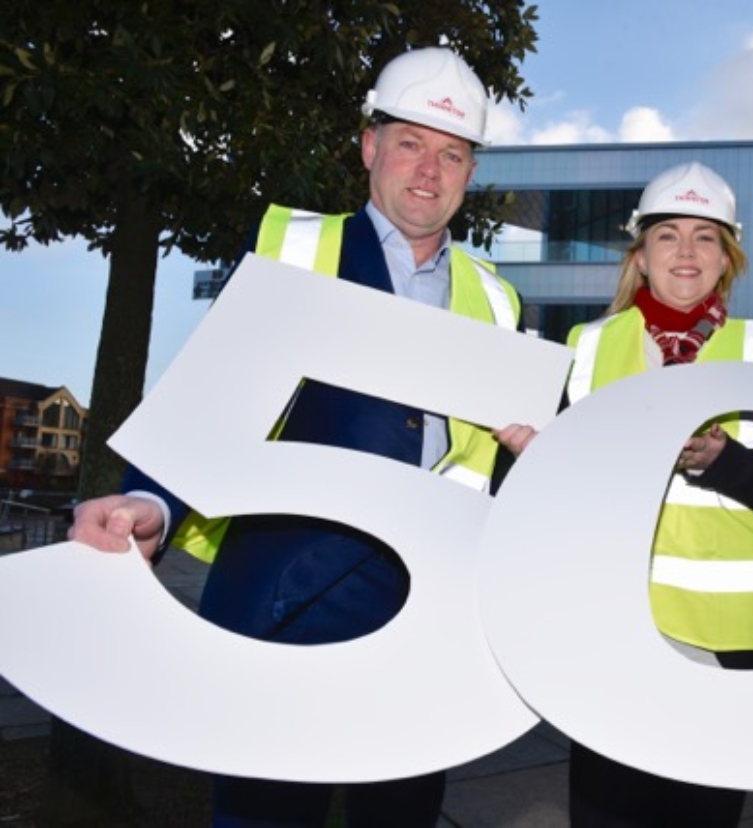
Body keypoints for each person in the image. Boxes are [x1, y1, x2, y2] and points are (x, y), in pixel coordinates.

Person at [68, 47, 522, 828]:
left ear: (470, 174)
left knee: (402, 813)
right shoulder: (295, 248)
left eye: (452, 153)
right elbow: (214, 401)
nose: (429, 168)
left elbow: (488, 473)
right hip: (284, 600)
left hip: (430, 616)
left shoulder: (499, 300)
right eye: (409, 142)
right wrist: (150, 502)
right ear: (369, 146)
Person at [501, 161, 753, 826]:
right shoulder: (586, 349)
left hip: (730, 642)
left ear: (727, 259)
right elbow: (556, 503)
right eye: (668, 235)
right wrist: (538, 464)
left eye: (705, 237)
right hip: (610, 630)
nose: (686, 252)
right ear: (641, 256)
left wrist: (725, 461)